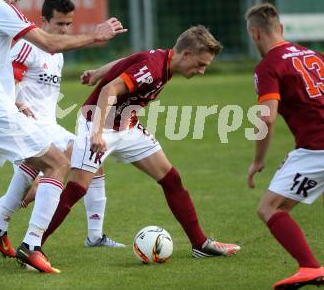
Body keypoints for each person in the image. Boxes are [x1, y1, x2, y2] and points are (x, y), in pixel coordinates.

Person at [0, 0, 125, 273]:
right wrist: (96, 36)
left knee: (40, 163)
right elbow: (47, 42)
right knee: (58, 163)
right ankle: (31, 245)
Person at [39, 25, 241, 259]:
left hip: (127, 126)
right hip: (98, 124)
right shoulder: (154, 68)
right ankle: (33, 245)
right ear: (186, 55)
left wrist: (98, 71)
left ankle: (200, 244)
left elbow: (128, 61)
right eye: (200, 64)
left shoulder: (163, 62)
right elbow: (109, 90)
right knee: (76, 189)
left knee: (171, 179)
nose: (202, 71)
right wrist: (96, 133)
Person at [245, 3, 324, 289]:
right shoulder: (314, 54)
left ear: (255, 34)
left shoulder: (269, 66)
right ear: (280, 28)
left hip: (317, 149)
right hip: (314, 148)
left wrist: (258, 161)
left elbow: (266, 116)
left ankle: (310, 267)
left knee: (270, 207)